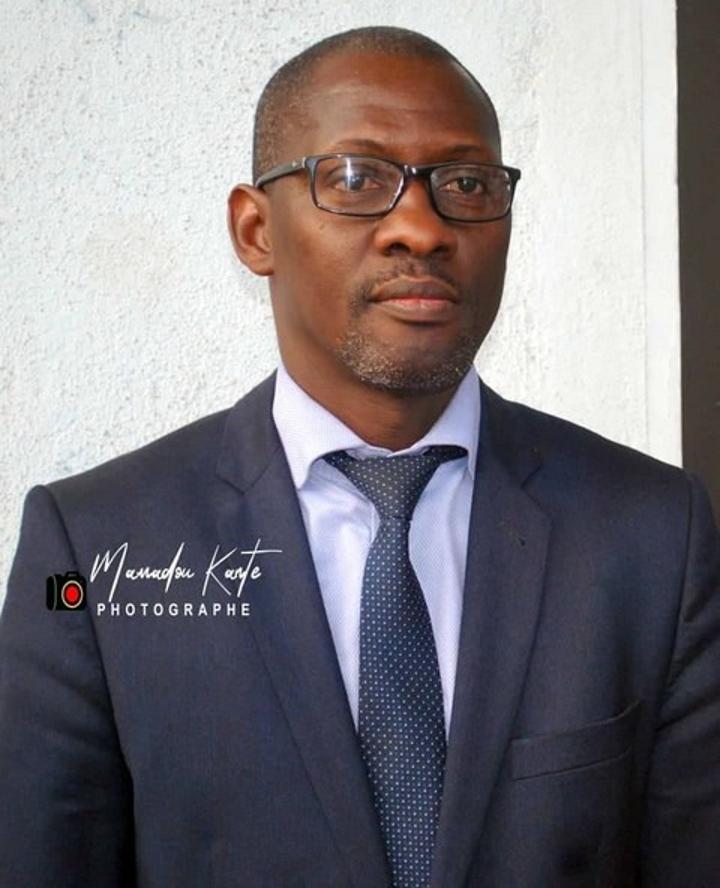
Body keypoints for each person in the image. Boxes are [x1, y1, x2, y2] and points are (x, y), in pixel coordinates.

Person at [1, 25, 718, 888]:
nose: (420, 226)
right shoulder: (92, 547)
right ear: (255, 230)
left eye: (465, 183)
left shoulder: (653, 534)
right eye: (356, 178)